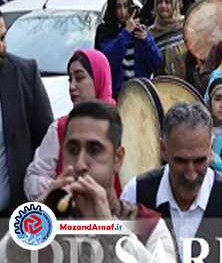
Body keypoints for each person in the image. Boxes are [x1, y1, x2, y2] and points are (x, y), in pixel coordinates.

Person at [5, 101, 177, 262]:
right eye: (72, 150)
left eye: (94, 150)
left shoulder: (149, 226)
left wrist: (110, 230)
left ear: (117, 159)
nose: (80, 164)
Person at [121, 102, 222, 262]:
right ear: (162, 149)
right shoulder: (136, 193)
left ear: (211, 149)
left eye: (199, 161)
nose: (191, 174)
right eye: (181, 161)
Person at [24, 49, 117, 201]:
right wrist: (62, 187)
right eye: (70, 79)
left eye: (79, 78)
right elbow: (33, 178)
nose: (72, 86)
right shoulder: (59, 128)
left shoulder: (124, 125)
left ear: (99, 79)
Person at [0, 10, 53, 216]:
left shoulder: (24, 74)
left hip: (13, 219)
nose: (1, 48)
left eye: (3, 38)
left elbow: (47, 146)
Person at [95, 0, 162, 97]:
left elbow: (156, 62)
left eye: (125, 6)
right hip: (116, 95)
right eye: (118, 7)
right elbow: (107, 61)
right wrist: (126, 33)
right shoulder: (105, 31)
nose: (122, 12)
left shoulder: (139, 27)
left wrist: (146, 41)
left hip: (140, 94)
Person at [148, 0, 188, 79]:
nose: (163, 6)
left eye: (167, 2)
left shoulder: (185, 26)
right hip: (161, 88)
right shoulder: (151, 33)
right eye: (160, 2)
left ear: (174, 4)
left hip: (186, 87)